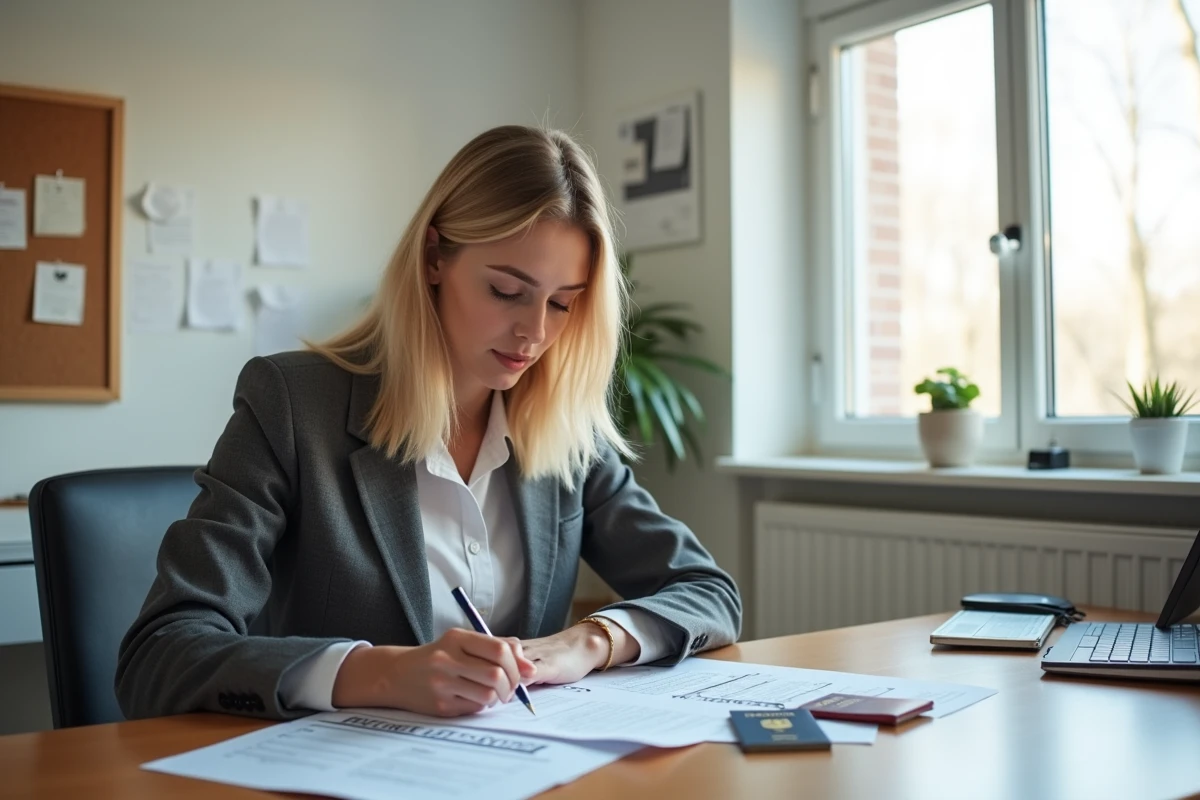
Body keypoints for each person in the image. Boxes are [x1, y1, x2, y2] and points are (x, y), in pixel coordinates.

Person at [116, 125, 741, 721]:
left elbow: (708, 592)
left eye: (562, 303)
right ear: (436, 256)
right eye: (506, 290)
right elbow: (161, 653)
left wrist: (592, 640)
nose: (536, 332)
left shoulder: (563, 434)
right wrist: (377, 673)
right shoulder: (291, 404)